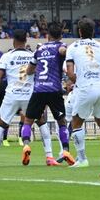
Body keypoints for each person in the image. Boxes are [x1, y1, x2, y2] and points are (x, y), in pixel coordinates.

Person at [65, 18, 100, 168]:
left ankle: (82, 159)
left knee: (76, 122)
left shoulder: (73, 47)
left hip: (85, 87)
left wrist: (80, 80)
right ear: (93, 31)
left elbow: (70, 73)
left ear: (80, 31)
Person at [21, 22, 74, 166]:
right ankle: (66, 150)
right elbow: (63, 51)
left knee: (28, 121)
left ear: (48, 35)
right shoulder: (60, 46)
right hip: (54, 90)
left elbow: (29, 71)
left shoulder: (39, 49)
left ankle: (26, 144)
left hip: (39, 90)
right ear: (61, 35)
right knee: (61, 122)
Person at [0, 30, 36, 168]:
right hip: (29, 94)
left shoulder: (7, 56)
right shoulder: (32, 55)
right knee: (39, 121)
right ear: (26, 40)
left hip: (12, 94)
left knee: (1, 124)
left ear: (13, 40)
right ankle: (49, 156)